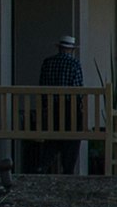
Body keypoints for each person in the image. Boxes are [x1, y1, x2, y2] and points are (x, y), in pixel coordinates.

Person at [33, 34, 83, 173]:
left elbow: (42, 86)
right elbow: (78, 90)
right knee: (72, 138)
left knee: (52, 139)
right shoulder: (74, 64)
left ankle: (43, 165)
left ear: (59, 48)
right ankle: (68, 169)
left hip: (51, 109)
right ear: (71, 50)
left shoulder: (47, 63)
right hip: (68, 109)